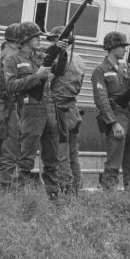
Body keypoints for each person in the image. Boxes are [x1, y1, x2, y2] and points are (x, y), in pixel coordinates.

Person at [4, 22, 72, 198]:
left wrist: (62, 51)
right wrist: (37, 77)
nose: (39, 38)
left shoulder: (41, 56)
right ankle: (16, 199)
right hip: (31, 109)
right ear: (25, 39)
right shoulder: (12, 60)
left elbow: (60, 69)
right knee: (26, 159)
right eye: (35, 36)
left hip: (49, 108)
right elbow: (11, 86)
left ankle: (54, 198)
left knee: (52, 159)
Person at [92, 31, 130, 190]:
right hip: (115, 116)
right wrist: (113, 123)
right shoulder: (100, 70)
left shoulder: (125, 68)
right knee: (114, 159)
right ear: (111, 47)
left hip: (128, 116)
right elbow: (101, 100)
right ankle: (109, 194)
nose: (125, 49)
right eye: (122, 46)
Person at [47, 29, 86, 192]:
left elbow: (47, 81)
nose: (50, 43)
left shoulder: (57, 58)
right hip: (73, 108)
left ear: (59, 40)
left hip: (59, 109)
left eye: (52, 40)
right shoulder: (79, 60)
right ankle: (77, 188)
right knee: (73, 154)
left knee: (60, 154)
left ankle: (66, 189)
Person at [0, 23, 20, 192]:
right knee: (10, 151)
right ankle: (5, 192)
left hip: (6, 105)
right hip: (8, 105)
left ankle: (6, 190)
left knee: (9, 150)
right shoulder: (10, 57)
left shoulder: (6, 54)